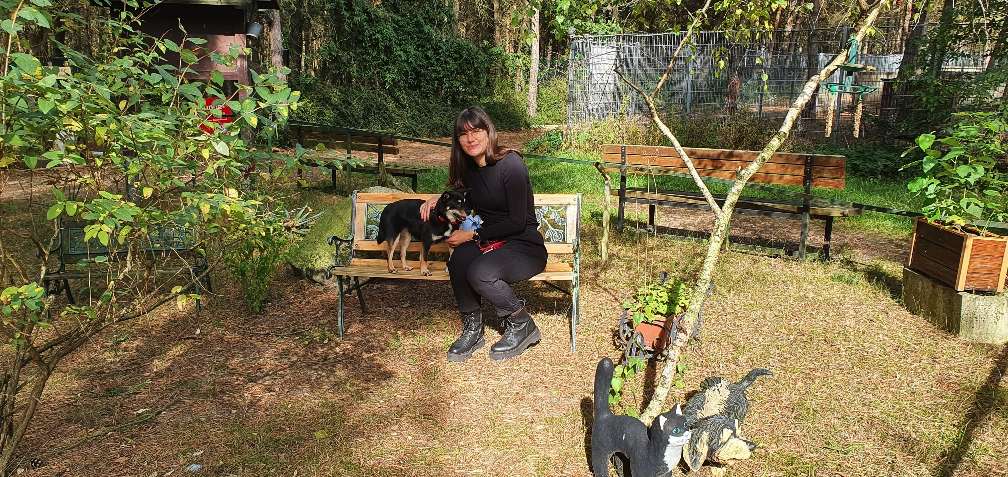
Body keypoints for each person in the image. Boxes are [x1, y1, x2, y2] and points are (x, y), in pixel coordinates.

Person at [420, 106, 547, 362]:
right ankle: (473, 330)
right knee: (459, 261)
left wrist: (473, 236)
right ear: (458, 140)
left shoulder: (511, 164)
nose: (471, 139)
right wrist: (438, 199)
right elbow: (463, 194)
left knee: (480, 272)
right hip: (492, 240)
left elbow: (517, 221)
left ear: (488, 132)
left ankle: (521, 323)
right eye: (463, 134)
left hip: (523, 245)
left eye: (476, 131)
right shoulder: (469, 169)